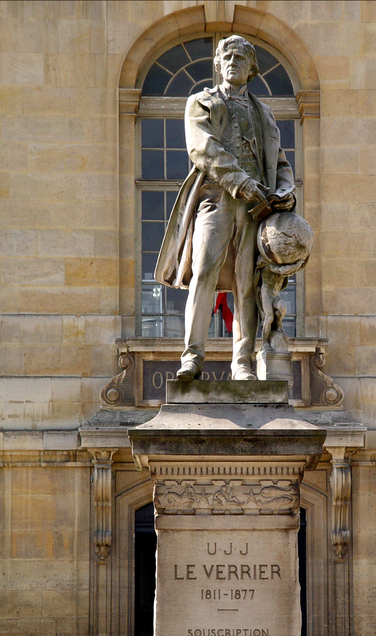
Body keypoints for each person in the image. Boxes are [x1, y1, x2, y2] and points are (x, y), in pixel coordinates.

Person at [154, 35, 296, 381]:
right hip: (216, 197)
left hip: (256, 210)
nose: (232, 62)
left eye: (240, 58)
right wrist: (241, 181)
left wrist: (284, 192)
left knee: (247, 285)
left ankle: (243, 363)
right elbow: (203, 148)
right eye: (227, 57)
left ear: (251, 69)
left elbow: (279, 163)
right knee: (204, 271)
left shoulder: (264, 113)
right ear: (218, 65)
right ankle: (192, 356)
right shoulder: (202, 102)